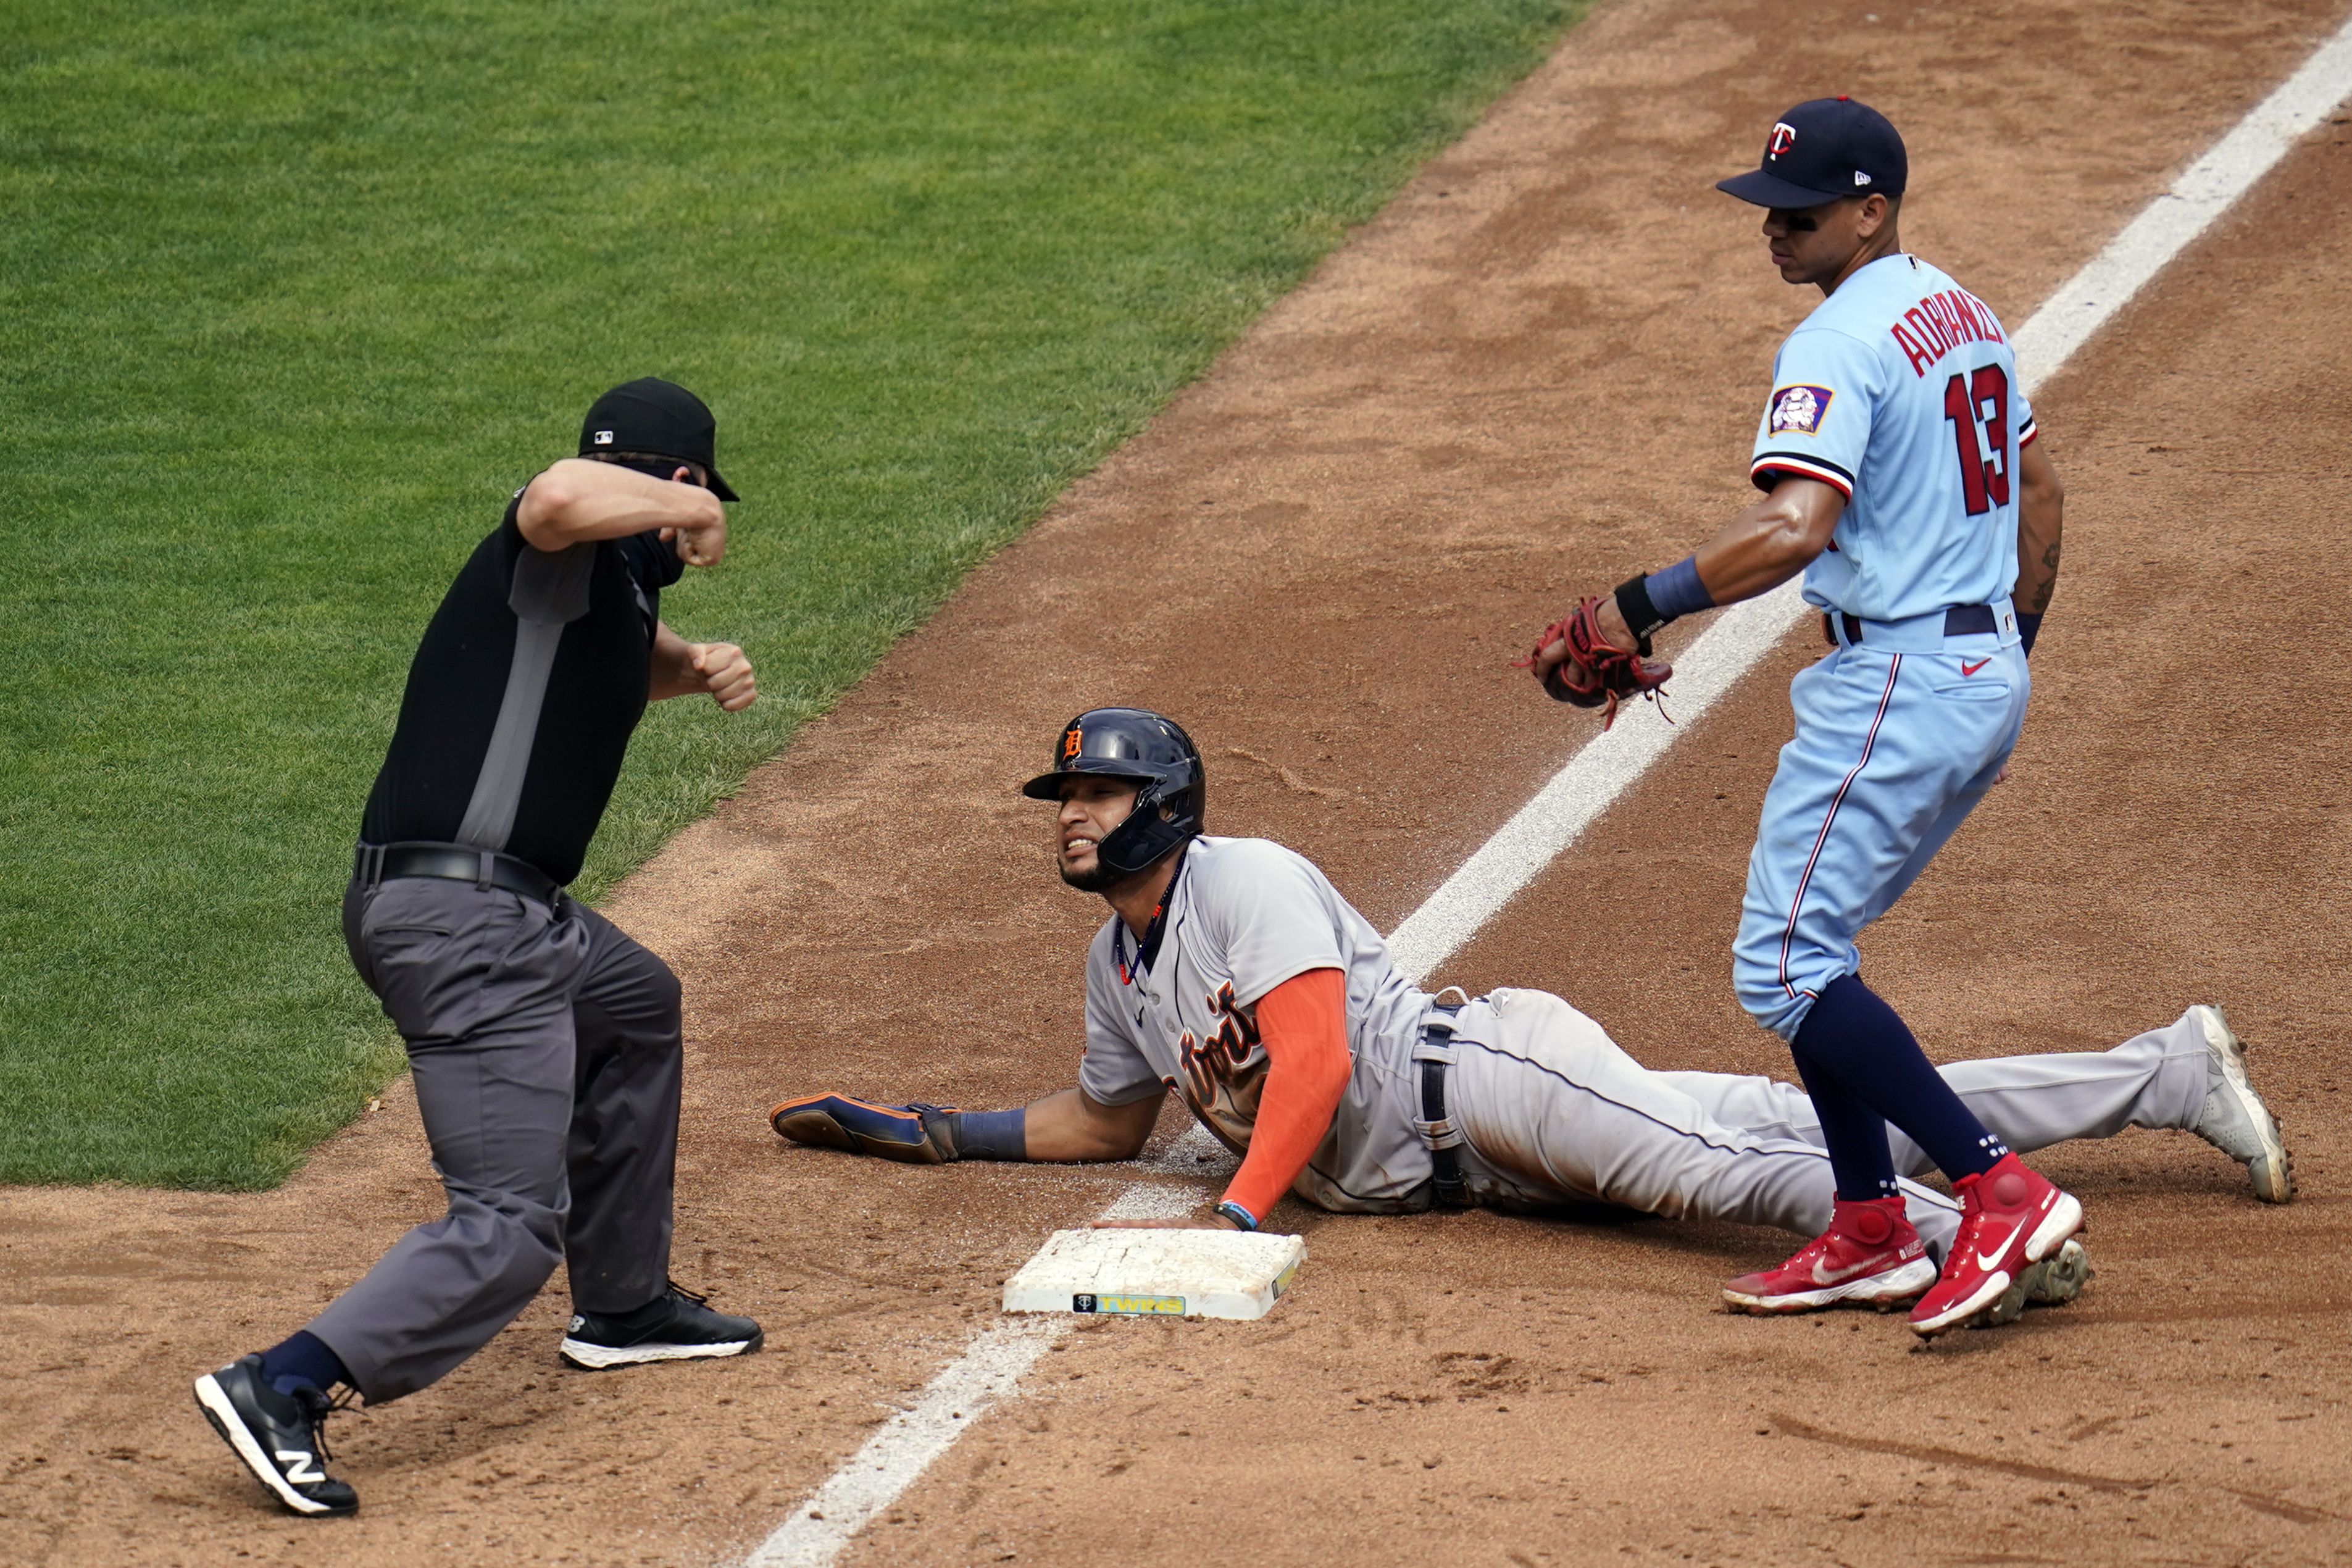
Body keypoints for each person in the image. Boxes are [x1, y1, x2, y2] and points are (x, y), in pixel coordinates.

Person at [1525, 99, 2290, 1335]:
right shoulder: (1962, 311)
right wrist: (2004, 661)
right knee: (1814, 946)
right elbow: (2039, 487)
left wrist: (1634, 606)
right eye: (1770, 210)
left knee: (1780, 964)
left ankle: (1996, 1187)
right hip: (1973, 669)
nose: (1775, 231)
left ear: (1870, 211)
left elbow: (1793, 529)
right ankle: (1872, 1222)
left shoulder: (1835, 341)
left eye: (1802, 212)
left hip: (1896, 682)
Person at [767, 709, 2288, 1327]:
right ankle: (2161, 1070)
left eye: (1092, 795)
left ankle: (1988, 1220)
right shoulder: (1118, 964)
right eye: (1065, 799)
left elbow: (1309, 1064)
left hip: (1484, 1080)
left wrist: (1232, 1221)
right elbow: (1107, 1120)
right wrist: (938, 1136)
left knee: (1722, 1174)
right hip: (1478, 1159)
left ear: (1162, 806)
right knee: (1786, 1120)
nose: (1070, 818)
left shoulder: (1247, 881)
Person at [194, 378, 768, 1518]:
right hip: (464, 930)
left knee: (635, 1001)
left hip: (515, 916)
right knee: (508, 1222)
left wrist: (692, 663)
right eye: (689, 497)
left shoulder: (597, 594)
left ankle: (623, 1305)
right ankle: (286, 1385)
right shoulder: (559, 542)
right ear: (675, 481)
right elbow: (555, 498)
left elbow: (613, 661)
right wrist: (687, 509)